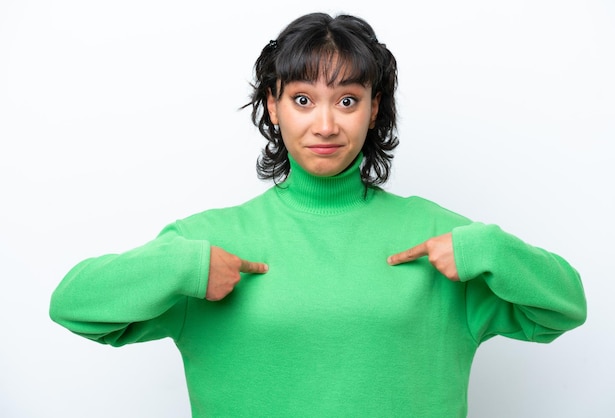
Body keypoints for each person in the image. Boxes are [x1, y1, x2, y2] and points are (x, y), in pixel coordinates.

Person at [50, 12, 587, 417]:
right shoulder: (208, 243)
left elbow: (566, 307)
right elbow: (73, 306)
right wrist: (183, 269)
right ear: (271, 105)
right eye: (303, 100)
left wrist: (490, 249)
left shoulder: (440, 237)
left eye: (347, 101)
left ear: (374, 108)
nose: (326, 125)